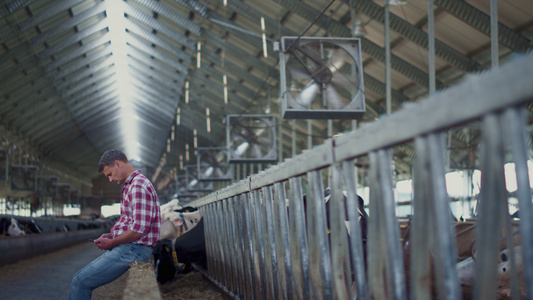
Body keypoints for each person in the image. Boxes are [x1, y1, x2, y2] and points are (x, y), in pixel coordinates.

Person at [69, 150, 161, 300]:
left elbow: (139, 230)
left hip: (133, 248)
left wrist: (112, 242)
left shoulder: (137, 186)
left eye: (110, 174)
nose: (110, 180)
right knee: (80, 280)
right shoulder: (131, 185)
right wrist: (111, 235)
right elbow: (131, 222)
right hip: (131, 247)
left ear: (118, 164)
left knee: (80, 282)